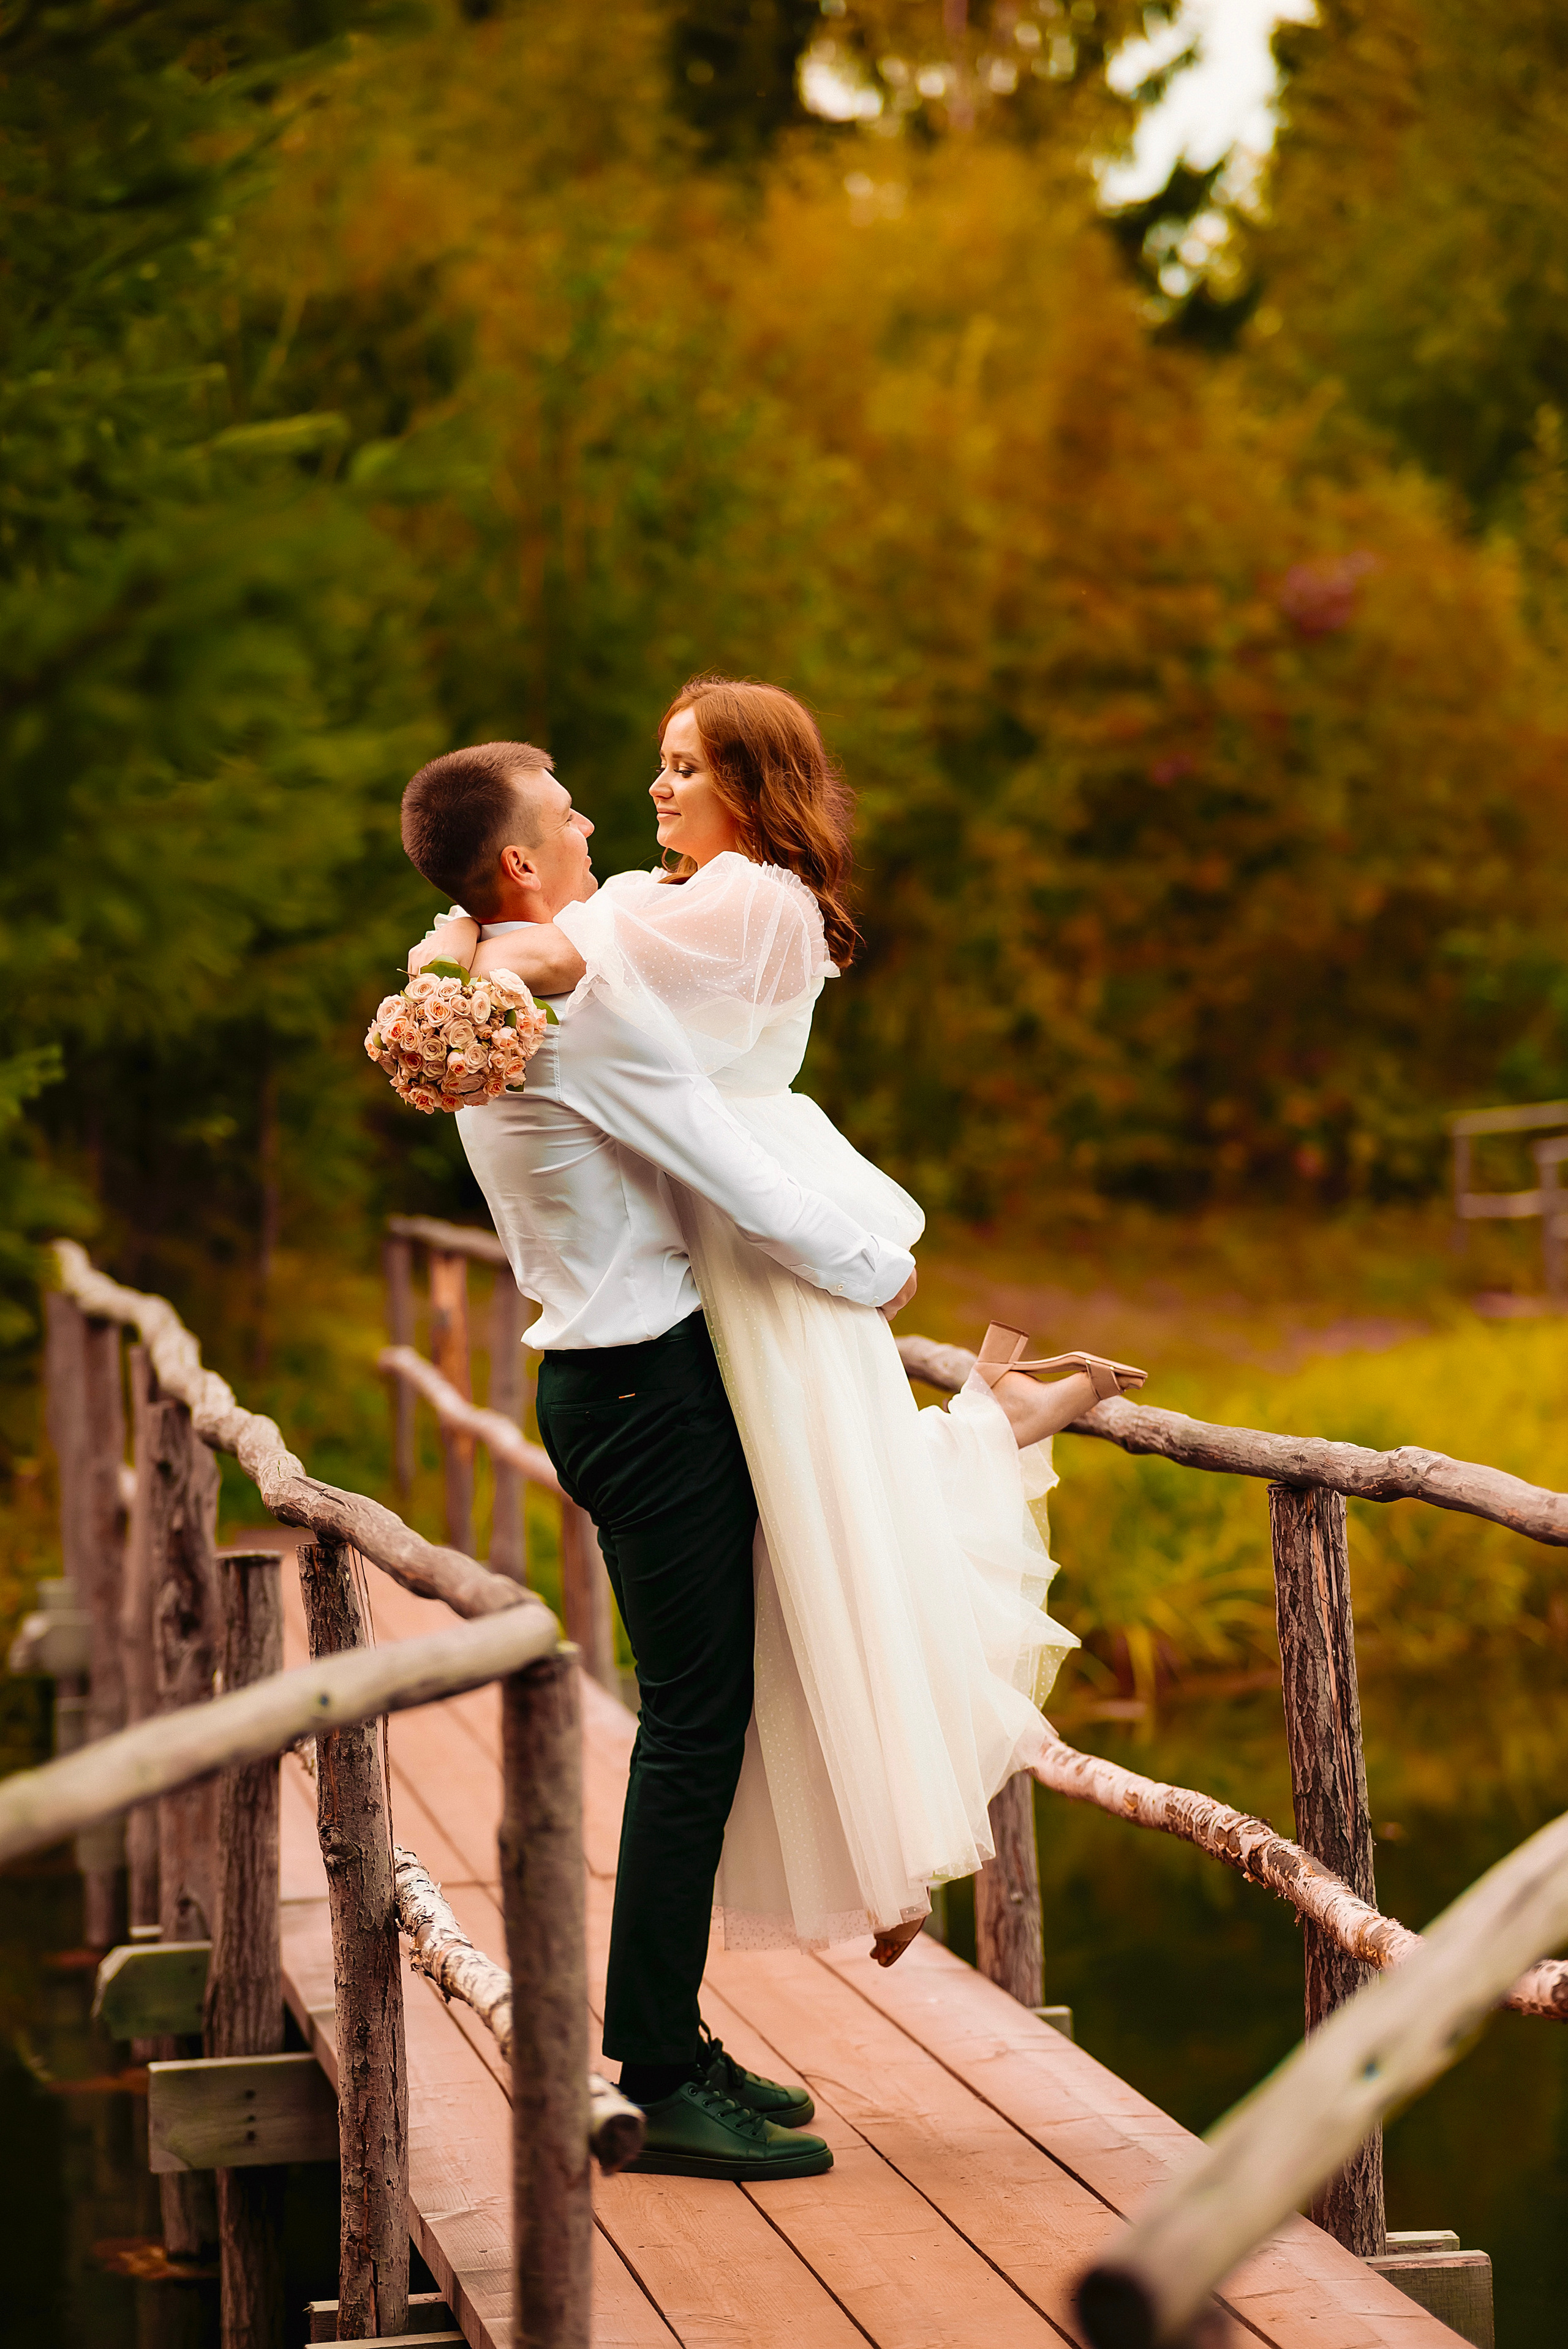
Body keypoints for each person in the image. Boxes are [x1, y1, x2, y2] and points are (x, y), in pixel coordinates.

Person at [405, 685, 1145, 1980]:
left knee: (826, 1529)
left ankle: (876, 1833)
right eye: (652, 765)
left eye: (685, 765)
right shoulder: (626, 925)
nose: (641, 795)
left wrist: (471, 950)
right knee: (809, 1543)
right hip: (722, 1253)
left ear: (753, 786)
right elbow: (589, 981)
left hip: (747, 1245)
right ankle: (861, 1846)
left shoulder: (745, 903)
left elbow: (583, 963)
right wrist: (482, 948)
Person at [398, 738, 921, 2182]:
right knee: (693, 1727)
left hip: (604, 1381)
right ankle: (656, 2066)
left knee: (699, 1713)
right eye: (565, 814)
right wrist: (877, 1267)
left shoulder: (477, 987)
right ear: (519, 861)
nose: (594, 823)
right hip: (647, 1389)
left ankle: (674, 2037)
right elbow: (729, 1171)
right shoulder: (570, 1011)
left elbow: (483, 941)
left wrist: (466, 938)